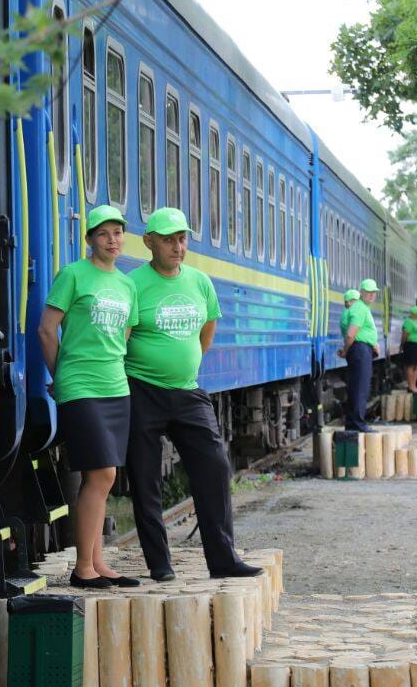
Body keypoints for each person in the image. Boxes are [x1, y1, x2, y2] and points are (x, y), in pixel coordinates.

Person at [125, 207, 261, 582]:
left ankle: (223, 559)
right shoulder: (132, 284)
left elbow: (209, 324)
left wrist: (189, 363)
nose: (177, 247)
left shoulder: (200, 282)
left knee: (215, 467)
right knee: (145, 476)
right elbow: (121, 338)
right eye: (169, 240)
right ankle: (160, 563)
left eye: (182, 239)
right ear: (149, 242)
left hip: (187, 392)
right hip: (142, 390)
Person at [37, 205, 141, 589]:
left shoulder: (127, 285)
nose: (112, 240)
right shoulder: (73, 275)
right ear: (90, 240)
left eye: (117, 233)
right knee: (102, 473)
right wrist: (59, 375)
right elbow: (47, 330)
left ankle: (97, 561)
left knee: (104, 476)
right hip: (81, 385)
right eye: (103, 234)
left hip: (116, 386)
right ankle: (83, 568)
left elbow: (124, 336)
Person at [338, 279, 380, 431]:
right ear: (361, 292)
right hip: (360, 350)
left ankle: (353, 422)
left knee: (357, 386)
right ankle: (358, 423)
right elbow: (350, 335)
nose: (371, 295)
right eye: (368, 292)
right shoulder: (360, 309)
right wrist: (346, 350)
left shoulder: (361, 308)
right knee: (360, 388)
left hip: (361, 349)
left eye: (373, 292)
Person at [400, 305, 417, 393]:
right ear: (413, 314)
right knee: (411, 365)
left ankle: (413, 384)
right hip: (411, 345)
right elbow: (405, 334)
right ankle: (411, 386)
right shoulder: (408, 321)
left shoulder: (416, 322)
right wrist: (402, 344)